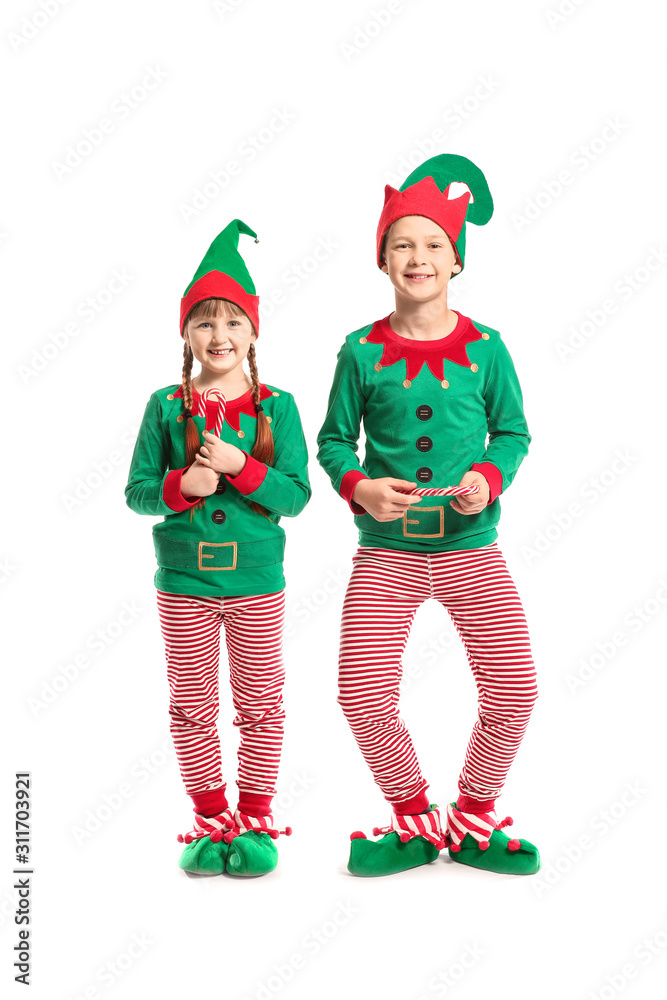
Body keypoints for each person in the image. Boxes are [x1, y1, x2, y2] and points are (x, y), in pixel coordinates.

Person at [317, 154, 540, 877]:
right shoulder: (357, 350)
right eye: (402, 244)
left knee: (514, 688)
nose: (418, 257)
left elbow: (512, 433)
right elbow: (329, 440)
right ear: (381, 258)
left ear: (456, 259)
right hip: (385, 552)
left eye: (434, 245)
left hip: (470, 544)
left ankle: (473, 816)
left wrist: (486, 476)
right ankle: (413, 819)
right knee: (361, 694)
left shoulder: (488, 349)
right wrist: (359, 488)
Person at [125, 219, 311, 876]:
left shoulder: (277, 408)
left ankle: (255, 823)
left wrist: (240, 465)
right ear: (185, 333)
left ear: (254, 332)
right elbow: (138, 492)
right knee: (191, 704)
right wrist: (184, 484)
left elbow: (296, 496)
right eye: (204, 322)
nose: (219, 336)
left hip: (258, 580)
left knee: (260, 703)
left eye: (233, 322)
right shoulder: (163, 406)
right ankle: (209, 821)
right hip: (183, 583)